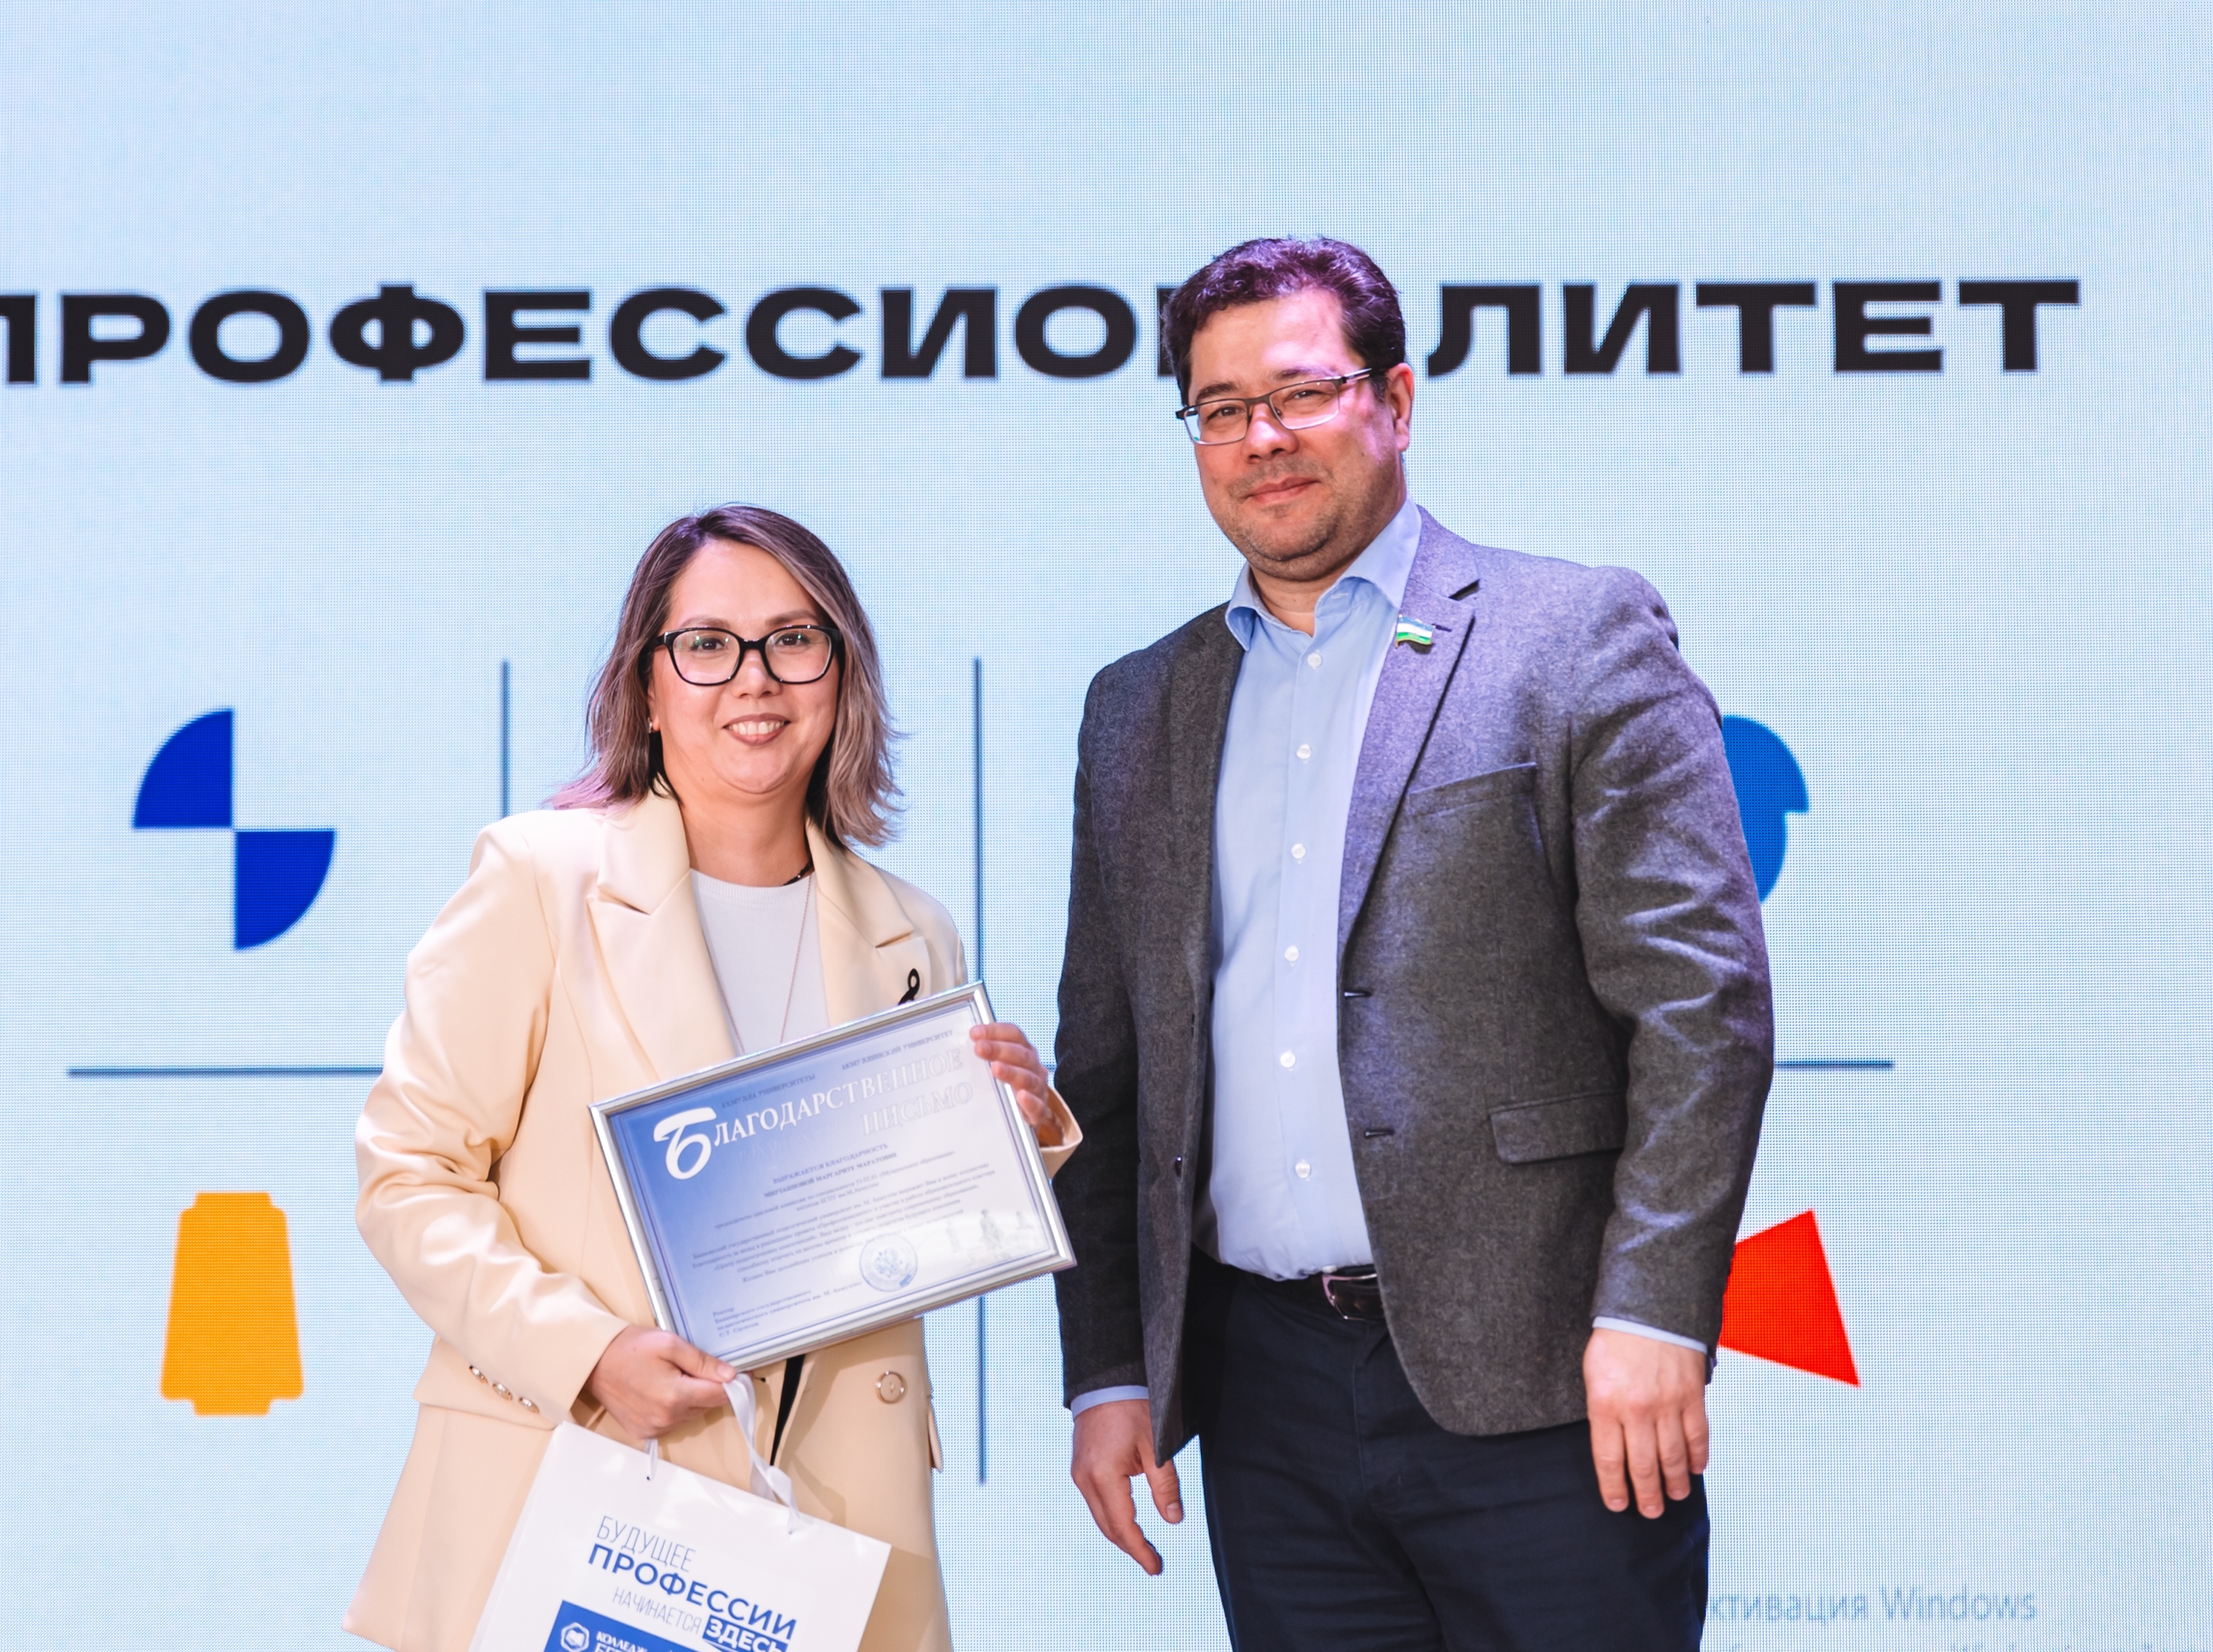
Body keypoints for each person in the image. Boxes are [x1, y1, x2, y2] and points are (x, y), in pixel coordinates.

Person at [1050, 238, 1773, 1651]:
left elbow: (1701, 1008)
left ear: (1393, 397)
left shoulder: (1573, 637)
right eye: (1219, 408)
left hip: (1550, 1380)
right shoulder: (1136, 705)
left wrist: (1657, 1312)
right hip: (1263, 1401)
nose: (1261, 438)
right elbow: (1109, 1067)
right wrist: (1109, 1369)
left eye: (1300, 392)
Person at [345, 504, 1078, 1652]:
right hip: (578, 1490)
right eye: (707, 644)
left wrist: (1011, 1135)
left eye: (794, 640)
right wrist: (587, 1355)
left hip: (831, 1516)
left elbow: (883, 1236)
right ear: (645, 686)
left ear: (842, 674)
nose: (755, 679)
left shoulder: (913, 932)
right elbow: (409, 1179)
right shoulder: (539, 879)